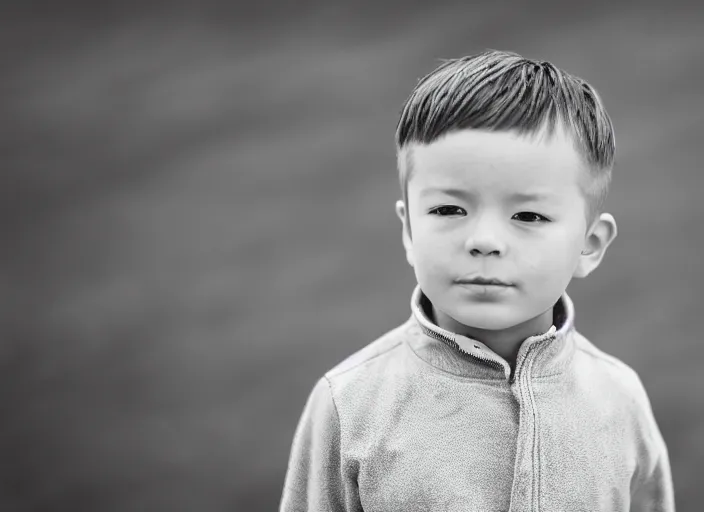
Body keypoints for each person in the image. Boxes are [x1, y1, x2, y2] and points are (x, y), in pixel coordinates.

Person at [279, 50, 675, 511]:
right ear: (409, 230)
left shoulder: (618, 400)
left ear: (589, 244)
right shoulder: (349, 405)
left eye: (528, 215)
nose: (484, 241)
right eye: (449, 209)